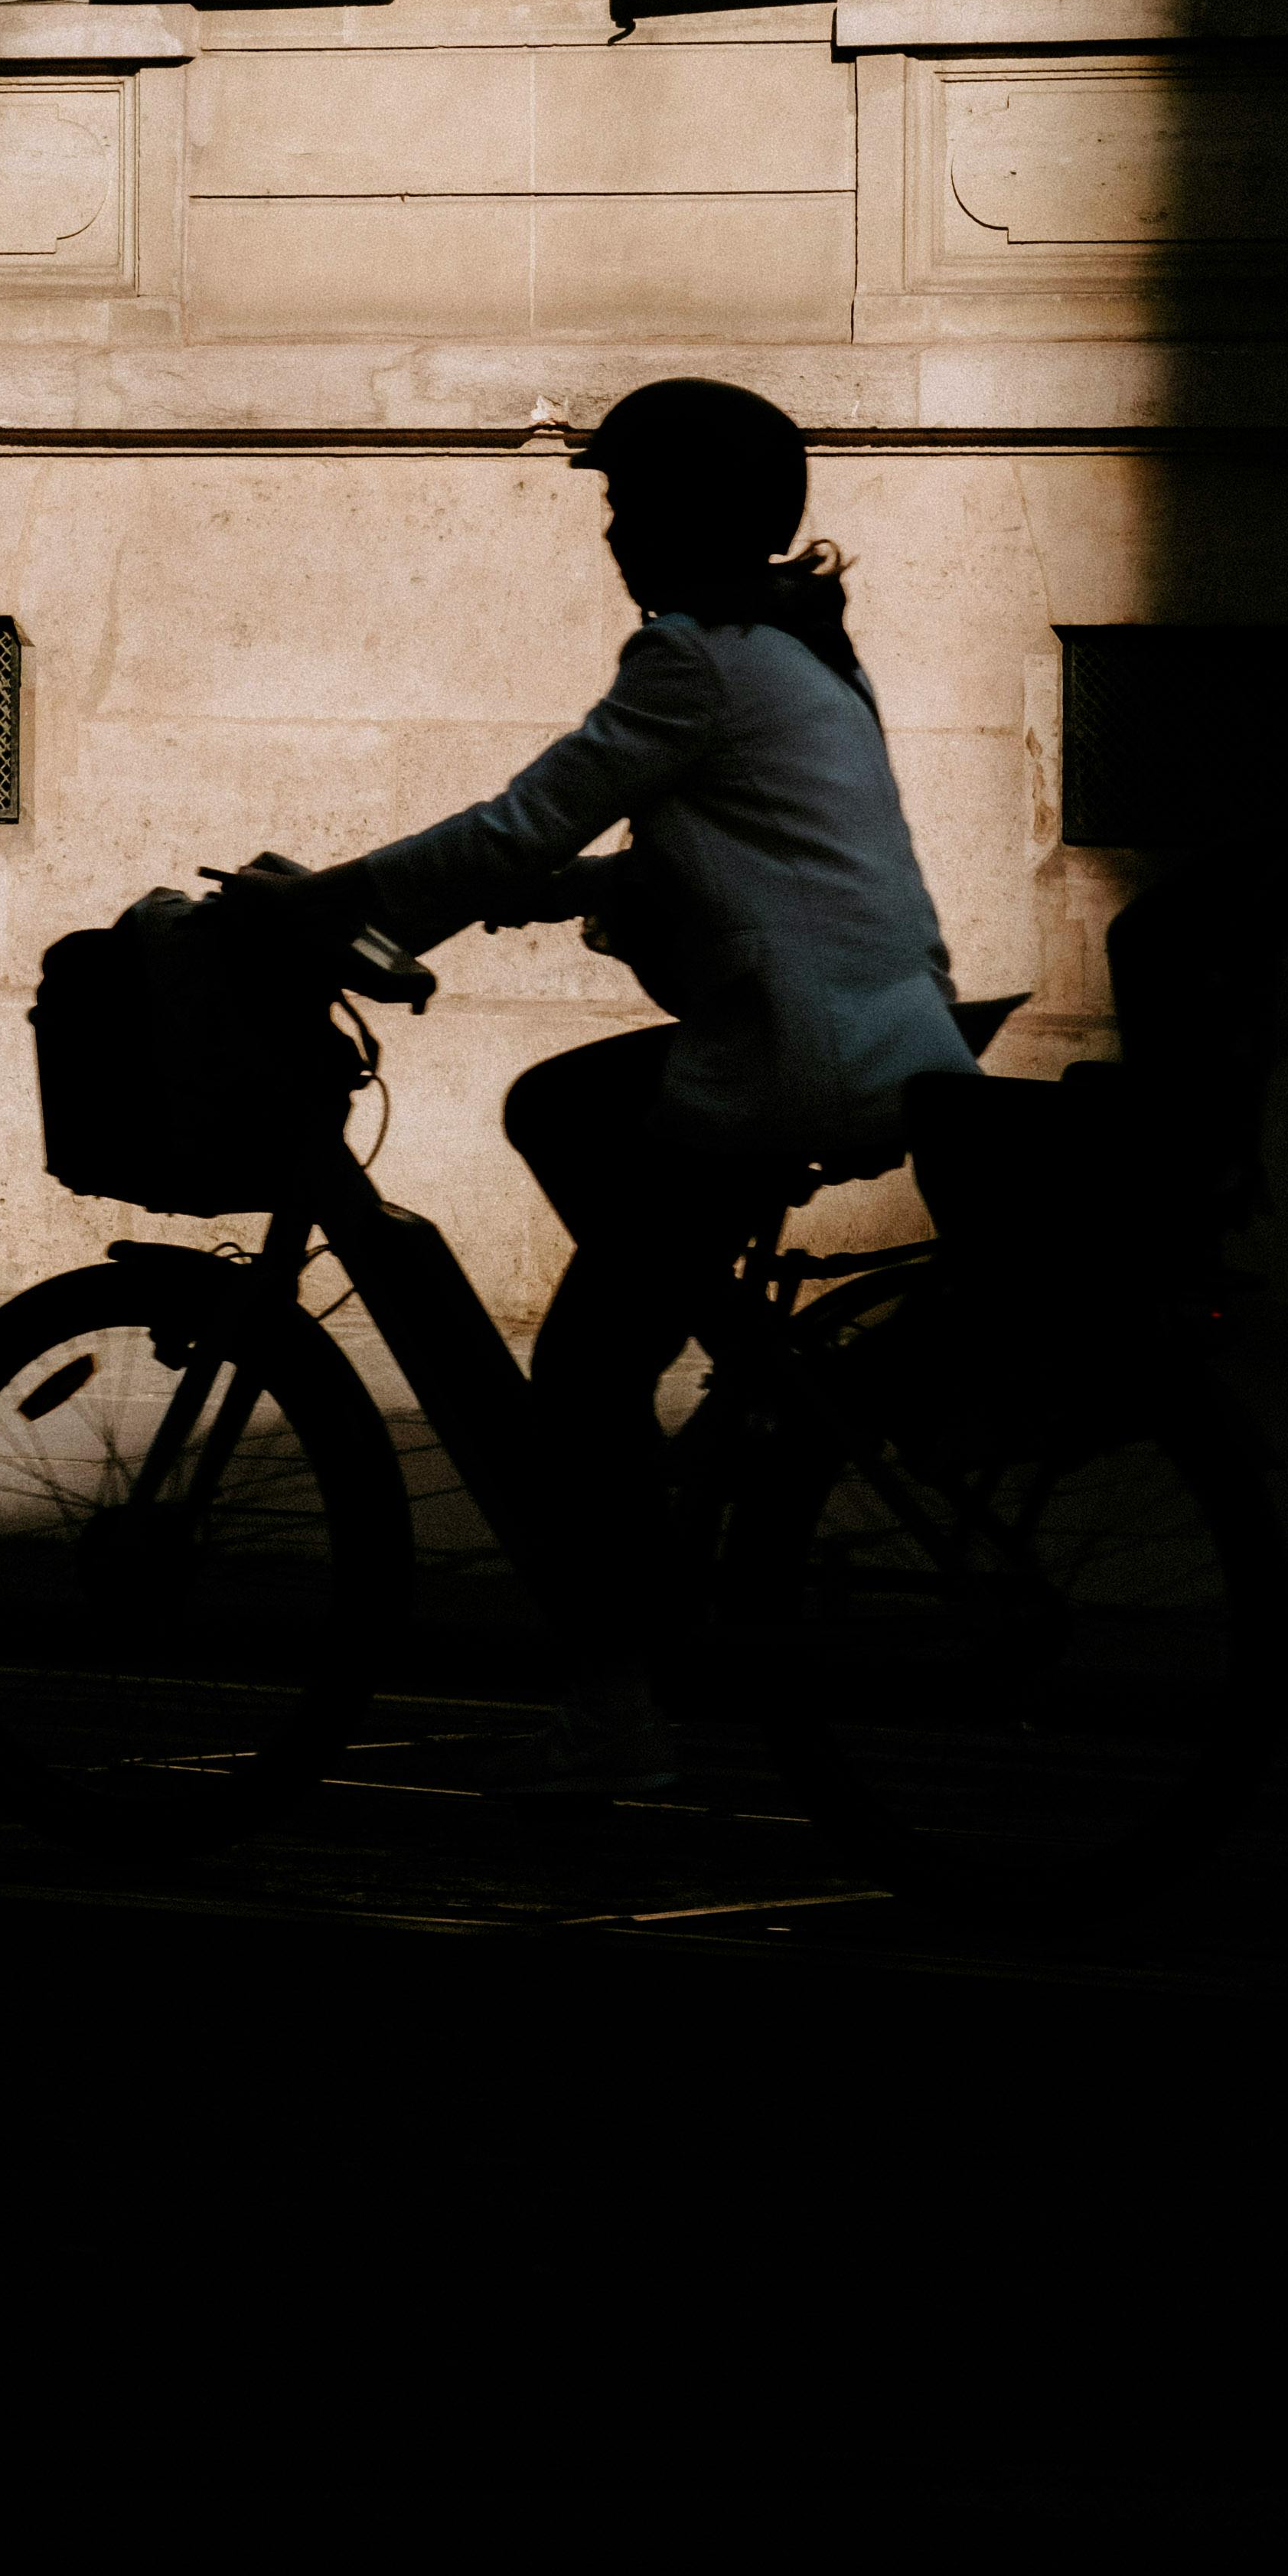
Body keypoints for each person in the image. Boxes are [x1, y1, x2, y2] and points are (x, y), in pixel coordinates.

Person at [213, 377, 978, 1793]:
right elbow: (725, 846)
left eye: (629, 499)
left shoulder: (692, 659)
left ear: (684, 513)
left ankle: (619, 1710)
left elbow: (525, 814)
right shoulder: (791, 648)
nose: (612, 528)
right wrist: (547, 894)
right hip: (876, 1032)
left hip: (792, 1058)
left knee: (580, 1370)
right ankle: (720, 1363)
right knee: (555, 1106)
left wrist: (330, 905)